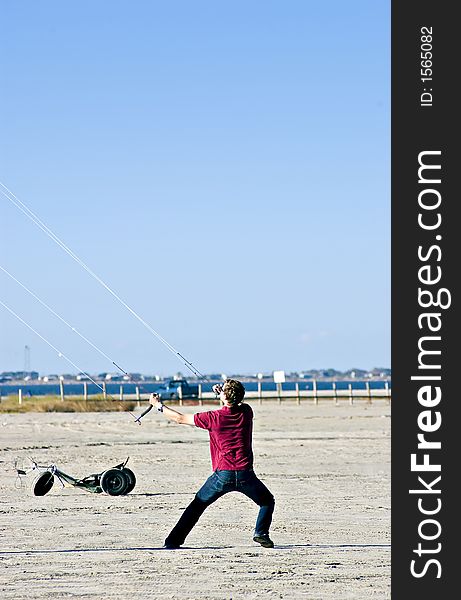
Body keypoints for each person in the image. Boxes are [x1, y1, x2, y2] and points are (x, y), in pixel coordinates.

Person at [149, 379, 275, 549]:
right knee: (267, 502)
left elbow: (179, 418)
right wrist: (222, 394)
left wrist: (158, 405)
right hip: (246, 474)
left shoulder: (212, 418)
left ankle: (173, 542)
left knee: (197, 505)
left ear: (225, 396)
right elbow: (233, 404)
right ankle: (261, 533)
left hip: (222, 475)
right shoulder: (246, 411)